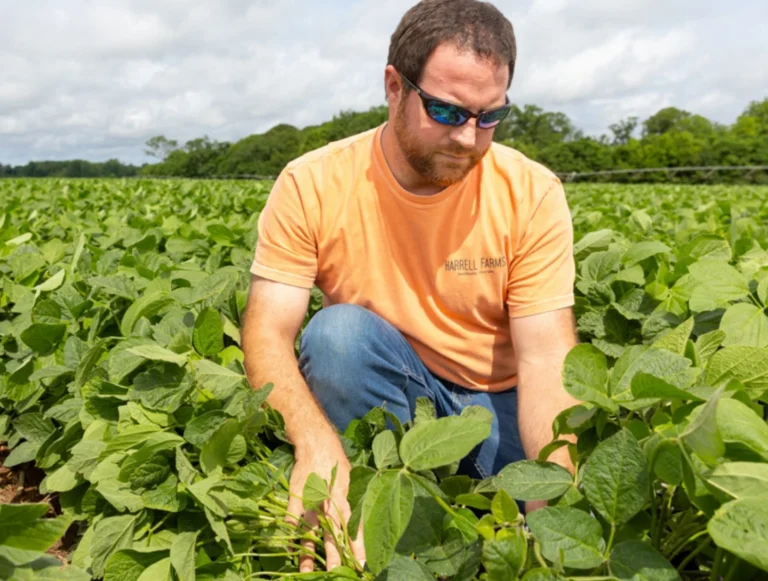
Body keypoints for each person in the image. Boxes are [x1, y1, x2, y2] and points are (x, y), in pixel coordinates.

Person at [241, 0, 581, 573]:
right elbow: (268, 329)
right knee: (338, 336)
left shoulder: (532, 191)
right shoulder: (313, 182)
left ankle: (429, 512)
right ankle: (375, 498)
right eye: (447, 111)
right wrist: (313, 440)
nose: (470, 138)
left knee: (548, 505)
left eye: (490, 116)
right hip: (388, 384)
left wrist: (553, 508)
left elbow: (548, 358)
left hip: (497, 406)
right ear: (395, 87)